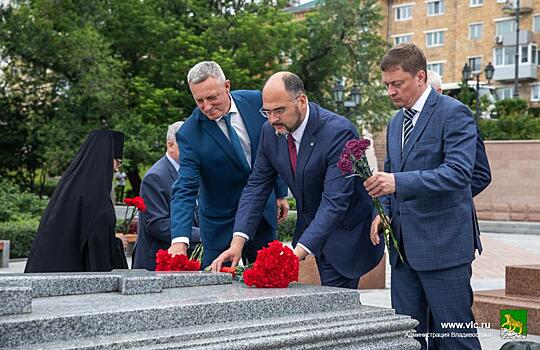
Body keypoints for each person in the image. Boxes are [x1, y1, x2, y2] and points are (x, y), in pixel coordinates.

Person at [211, 72, 384, 289]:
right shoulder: (269, 131)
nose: (273, 119)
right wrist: (237, 243)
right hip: (310, 231)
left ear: (301, 101)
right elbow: (256, 186)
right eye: (267, 112)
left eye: (280, 110)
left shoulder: (339, 132)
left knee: (335, 313)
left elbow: (335, 202)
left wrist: (295, 255)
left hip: (344, 236)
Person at [364, 43, 481, 349]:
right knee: (407, 339)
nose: (391, 91)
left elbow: (458, 173)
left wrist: (397, 184)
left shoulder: (454, 113)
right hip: (403, 253)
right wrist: (384, 211)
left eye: (397, 84)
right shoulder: (395, 123)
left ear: (420, 76)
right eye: (387, 85)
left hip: (444, 248)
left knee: (455, 339)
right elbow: (391, 173)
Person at [169, 61, 289, 268]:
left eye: (212, 97)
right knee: (216, 289)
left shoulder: (256, 102)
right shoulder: (189, 134)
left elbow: (273, 147)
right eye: (199, 100)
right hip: (220, 223)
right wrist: (179, 240)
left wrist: (279, 192)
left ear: (227, 86)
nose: (207, 106)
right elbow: (185, 188)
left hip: (261, 214)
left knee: (269, 281)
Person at [25, 130, 128, 273]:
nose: (117, 168)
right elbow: (97, 244)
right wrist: (117, 244)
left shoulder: (71, 184)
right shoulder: (96, 194)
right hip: (70, 282)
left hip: (48, 274)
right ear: (106, 157)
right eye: (118, 161)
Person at [428, 69, 492, 252]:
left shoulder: (458, 117)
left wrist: (450, 197)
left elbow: (481, 174)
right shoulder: (403, 122)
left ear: (439, 92)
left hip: (451, 228)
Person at [132, 122, 201, 270]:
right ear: (170, 145)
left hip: (186, 258)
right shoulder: (155, 177)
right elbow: (158, 225)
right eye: (188, 146)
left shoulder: (191, 172)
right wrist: (204, 235)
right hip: (158, 263)